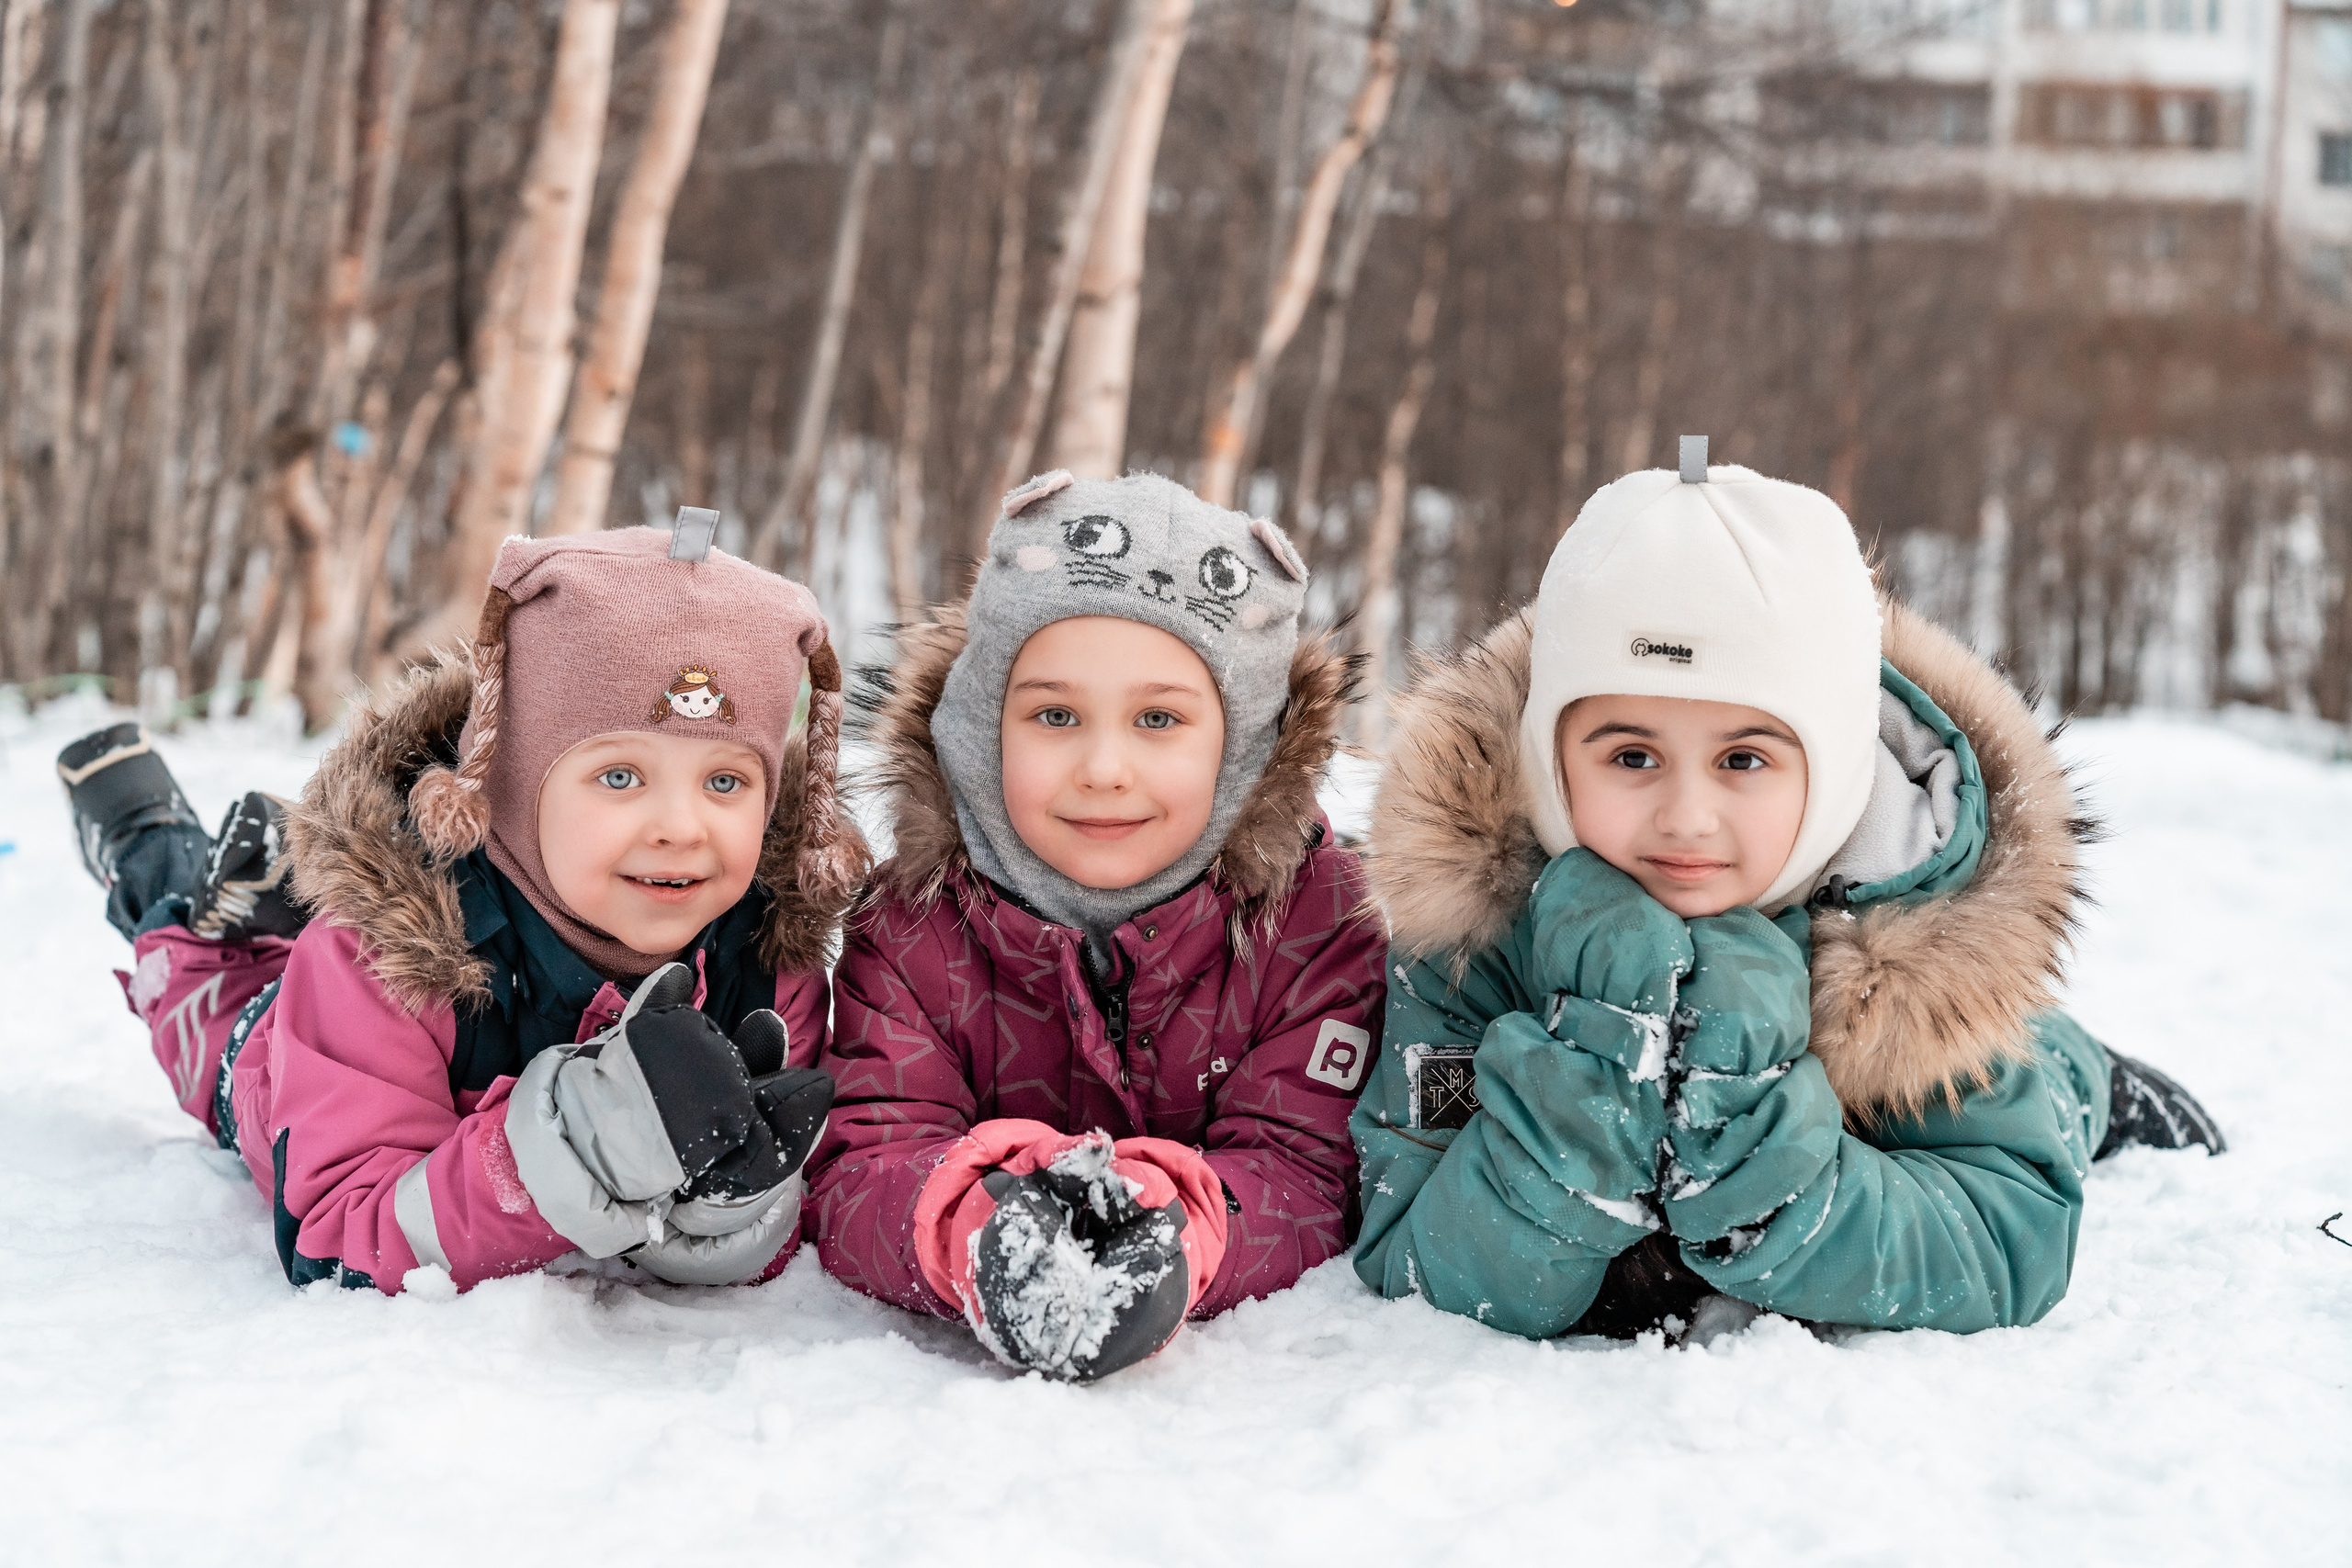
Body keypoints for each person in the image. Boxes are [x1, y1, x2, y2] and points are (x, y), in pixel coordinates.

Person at [1351, 454, 2224, 1341]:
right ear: (1549, 761)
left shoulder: (1914, 917)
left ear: (1834, 767)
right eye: (1632, 756)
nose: (1687, 817)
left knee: (2041, 1073)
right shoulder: (1479, 929)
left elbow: (2008, 1236)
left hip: (1951, 1087)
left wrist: (1785, 1198)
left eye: (1743, 759)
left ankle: (2088, 1070)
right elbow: (1406, 1241)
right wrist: (1570, 1129)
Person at [58, 522, 867, 1293]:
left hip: (389, 1001)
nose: (682, 829)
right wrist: (569, 1151)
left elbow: (751, 1219)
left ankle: (274, 890)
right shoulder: (384, 952)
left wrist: (729, 1201)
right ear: (509, 781)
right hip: (282, 1061)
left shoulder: (765, 964)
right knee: (200, 994)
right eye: (620, 777)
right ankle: (149, 837)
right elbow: (336, 1233)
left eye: (725, 782)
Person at [809, 469, 1384, 1382]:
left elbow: (1305, 1172)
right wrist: (975, 1221)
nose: (1104, 767)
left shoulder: (1316, 925)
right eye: (1055, 715)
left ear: (1243, 748)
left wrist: (1181, 1220)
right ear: (980, 729)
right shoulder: (916, 922)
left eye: (1158, 718)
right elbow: (865, 1163)